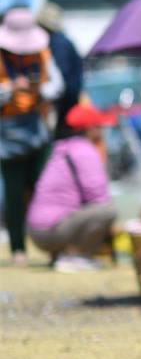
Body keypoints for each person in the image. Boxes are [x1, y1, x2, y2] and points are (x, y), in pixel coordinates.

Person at [0, 6, 65, 266]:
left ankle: (52, 245)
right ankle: (18, 247)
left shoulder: (43, 52)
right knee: (14, 193)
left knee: (46, 189)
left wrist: (40, 90)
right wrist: (10, 89)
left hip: (38, 131)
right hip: (7, 135)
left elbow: (57, 86)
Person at [26, 101, 118, 272]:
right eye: (100, 126)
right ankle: (78, 255)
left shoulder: (63, 148)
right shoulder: (85, 151)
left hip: (36, 230)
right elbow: (98, 196)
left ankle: (63, 253)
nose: (103, 131)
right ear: (90, 129)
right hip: (51, 232)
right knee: (108, 211)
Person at [35, 2, 83, 137]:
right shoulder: (63, 41)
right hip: (70, 102)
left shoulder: (57, 44)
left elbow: (62, 79)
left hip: (65, 106)